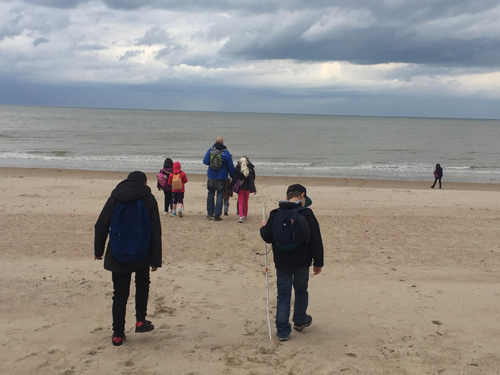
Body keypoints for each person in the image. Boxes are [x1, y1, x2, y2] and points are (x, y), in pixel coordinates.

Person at [94, 171, 162, 346]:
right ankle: (140, 321)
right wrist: (155, 260)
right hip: (142, 250)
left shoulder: (116, 197)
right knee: (142, 283)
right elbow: (155, 231)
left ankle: (117, 334)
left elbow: (101, 223)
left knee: (120, 293)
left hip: (118, 250)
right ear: (144, 183)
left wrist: (98, 250)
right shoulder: (149, 198)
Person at [260, 184, 324, 342]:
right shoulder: (307, 213)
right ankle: (300, 320)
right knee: (301, 289)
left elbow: (267, 237)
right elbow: (316, 238)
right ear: (302, 195)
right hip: (302, 260)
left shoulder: (276, 213)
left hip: (282, 262)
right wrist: (318, 261)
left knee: (283, 294)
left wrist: (263, 228)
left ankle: (282, 331)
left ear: (287, 196)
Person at [203, 137, 235, 221]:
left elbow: (205, 161)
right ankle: (217, 215)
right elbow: (230, 167)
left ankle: (210, 214)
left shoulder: (210, 150)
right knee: (220, 195)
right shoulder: (226, 153)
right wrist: (233, 176)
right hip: (221, 177)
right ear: (222, 143)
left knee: (210, 193)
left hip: (211, 176)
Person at [230, 156, 256, 223]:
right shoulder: (249, 170)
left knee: (240, 202)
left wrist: (231, 186)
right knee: (245, 202)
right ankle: (245, 215)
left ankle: (241, 216)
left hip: (240, 188)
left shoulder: (237, 170)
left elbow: (234, 179)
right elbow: (251, 180)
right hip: (247, 188)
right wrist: (253, 189)